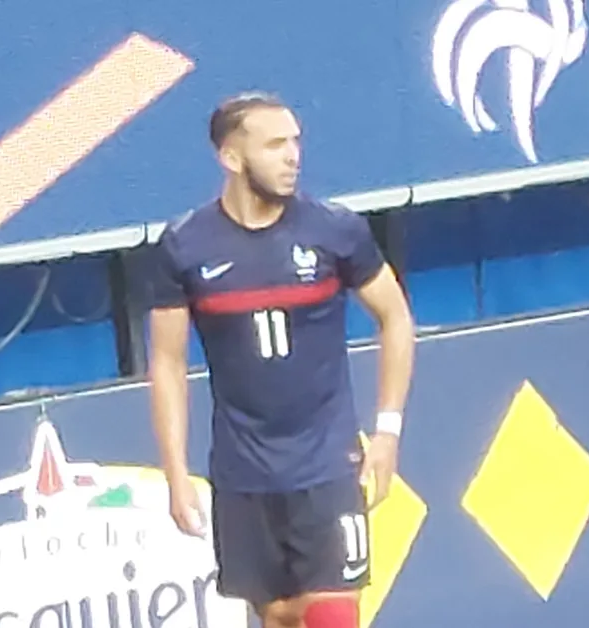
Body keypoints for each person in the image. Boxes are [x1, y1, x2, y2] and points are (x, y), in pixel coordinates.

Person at [146, 92, 416, 628]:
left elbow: (397, 318)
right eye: (275, 145)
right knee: (280, 616)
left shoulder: (335, 231)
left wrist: (387, 431)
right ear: (231, 158)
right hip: (245, 474)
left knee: (335, 611)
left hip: (329, 464)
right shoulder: (184, 248)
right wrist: (175, 473)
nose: (293, 156)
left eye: (295, 141)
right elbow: (167, 363)